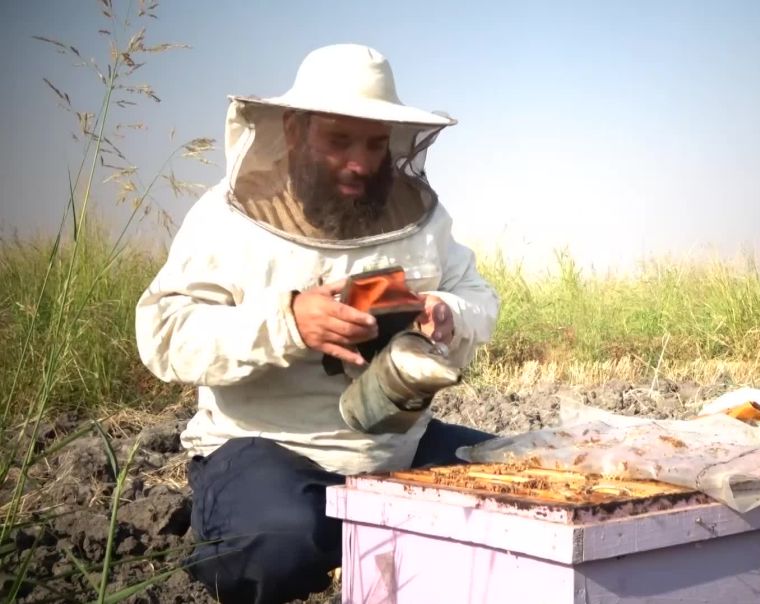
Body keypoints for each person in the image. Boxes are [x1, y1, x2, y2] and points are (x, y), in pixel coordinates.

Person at [135, 44, 500, 603]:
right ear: (294, 129)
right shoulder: (225, 219)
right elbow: (163, 334)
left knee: (528, 490)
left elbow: (477, 294)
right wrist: (288, 323)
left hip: (397, 453)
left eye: (376, 144)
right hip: (264, 449)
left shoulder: (423, 218)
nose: (361, 162)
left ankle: (379, 532)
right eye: (339, 141)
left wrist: (449, 313)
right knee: (276, 542)